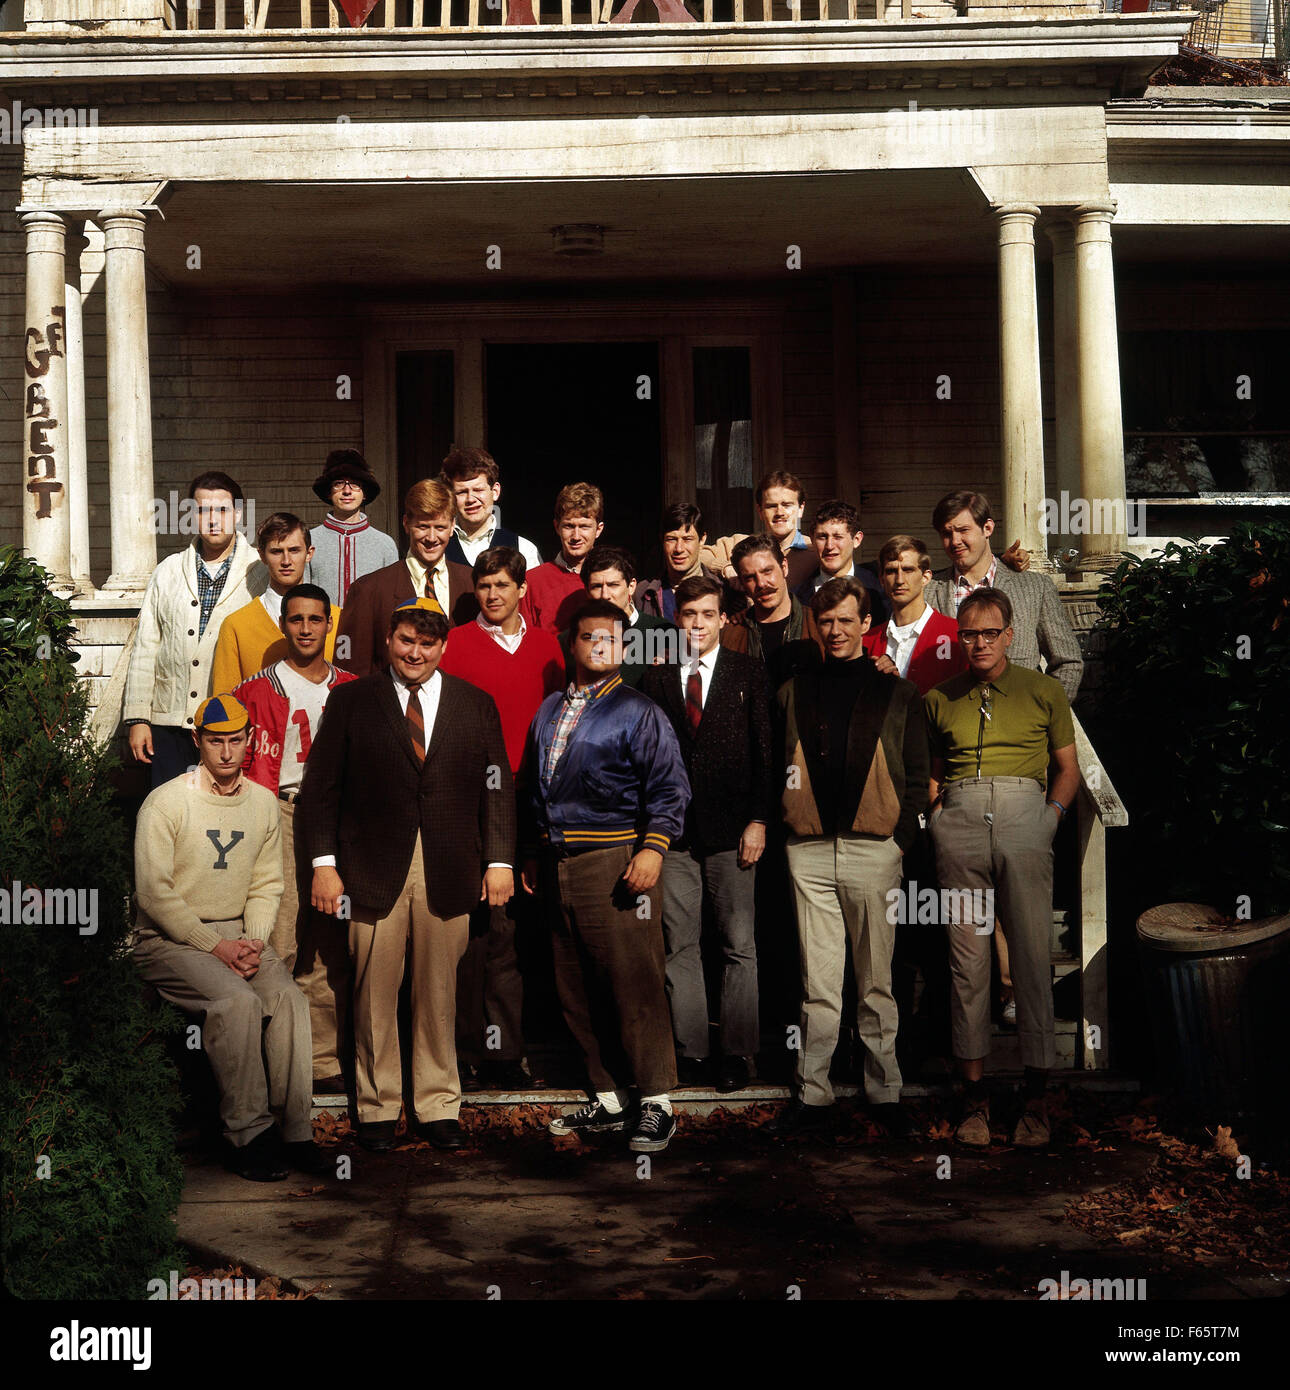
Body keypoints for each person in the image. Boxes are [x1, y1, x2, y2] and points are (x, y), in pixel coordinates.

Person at [299, 598, 515, 1152]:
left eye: (426, 643)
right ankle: (376, 1106)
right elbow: (321, 789)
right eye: (405, 641)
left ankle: (437, 1103)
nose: (414, 653)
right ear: (389, 642)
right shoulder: (350, 702)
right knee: (374, 991)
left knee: (439, 991)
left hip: (450, 865)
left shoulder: (475, 704)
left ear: (442, 648)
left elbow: (497, 789)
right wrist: (324, 867)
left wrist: (499, 860)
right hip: (370, 868)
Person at [131, 695, 326, 1182]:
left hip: (238, 935)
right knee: (237, 1002)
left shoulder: (261, 802)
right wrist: (214, 946)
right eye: (214, 741)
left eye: (234, 741)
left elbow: (266, 885)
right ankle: (248, 1136)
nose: (225, 752)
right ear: (198, 741)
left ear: (248, 743)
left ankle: (295, 1132)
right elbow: (155, 895)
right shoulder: (166, 802)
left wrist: (255, 941)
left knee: (286, 998)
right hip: (170, 940)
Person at [522, 599, 689, 1154]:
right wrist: (532, 852)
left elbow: (669, 788)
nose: (598, 646)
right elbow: (533, 790)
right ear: (573, 645)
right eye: (588, 637)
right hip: (557, 862)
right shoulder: (549, 709)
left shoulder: (638, 710)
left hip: (616, 859)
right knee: (574, 985)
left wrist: (653, 848)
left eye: (610, 639)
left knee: (633, 980)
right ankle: (610, 1096)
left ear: (624, 648)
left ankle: (658, 1101)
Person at [770, 578, 929, 1137]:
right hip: (808, 848)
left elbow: (918, 776)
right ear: (814, 624)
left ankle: (884, 1093)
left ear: (867, 624)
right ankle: (812, 1095)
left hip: (873, 848)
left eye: (846, 620)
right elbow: (774, 767)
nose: (835, 631)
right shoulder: (791, 690)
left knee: (876, 980)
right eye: (826, 621)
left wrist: (901, 838)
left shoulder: (898, 692)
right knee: (818, 982)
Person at [924, 587, 1080, 1149]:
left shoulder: (1043, 690)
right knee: (967, 962)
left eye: (990, 632)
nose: (980, 643)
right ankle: (974, 1101)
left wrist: (1049, 819)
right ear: (959, 638)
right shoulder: (941, 698)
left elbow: (1068, 768)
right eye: (969, 633)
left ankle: (1036, 1099)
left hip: (1025, 818)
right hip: (961, 822)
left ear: (1010, 636)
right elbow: (934, 773)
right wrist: (939, 816)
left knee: (1033, 954)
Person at [439, 546, 565, 1091]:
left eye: (502, 587)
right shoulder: (457, 644)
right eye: (484, 587)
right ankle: (467, 1050)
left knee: (517, 931)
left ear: (521, 592)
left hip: (532, 800)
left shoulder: (548, 646)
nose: (492, 596)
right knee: (472, 931)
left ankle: (509, 1050)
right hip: (470, 801)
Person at [642, 575, 773, 1094]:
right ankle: (691, 1051)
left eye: (706, 614)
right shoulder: (656, 679)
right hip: (674, 835)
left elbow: (767, 752)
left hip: (734, 832)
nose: (696, 623)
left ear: (724, 619)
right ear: (678, 618)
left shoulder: (749, 673)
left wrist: (759, 819)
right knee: (680, 945)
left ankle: (738, 1054)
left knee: (739, 944)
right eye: (688, 614)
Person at [233, 582, 357, 1095]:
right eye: (295, 620)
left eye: (315, 620)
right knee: (280, 939)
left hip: (339, 820)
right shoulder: (255, 689)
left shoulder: (352, 687)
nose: (305, 629)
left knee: (331, 942)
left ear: (330, 625)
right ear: (283, 624)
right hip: (280, 812)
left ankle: (323, 1062)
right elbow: (233, 758)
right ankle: (271, 1060)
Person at [124, 471, 266, 787]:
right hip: (168, 722)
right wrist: (138, 719)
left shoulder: (260, 571)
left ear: (238, 514)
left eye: (222, 510)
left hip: (229, 726)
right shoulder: (168, 571)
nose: (213, 520)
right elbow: (146, 647)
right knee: (171, 816)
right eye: (203, 511)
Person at [926, 490, 1083, 703]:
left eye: (964, 530)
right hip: (953, 726)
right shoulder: (927, 591)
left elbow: (1068, 662)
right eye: (946, 534)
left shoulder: (1036, 587)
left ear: (987, 528)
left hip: (1022, 725)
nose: (955, 541)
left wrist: (1044, 715)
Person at [335, 478, 477, 677]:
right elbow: (350, 673)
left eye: (440, 527)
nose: (431, 538)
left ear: (453, 526)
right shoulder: (368, 589)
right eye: (423, 526)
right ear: (406, 524)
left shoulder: (473, 583)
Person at [211, 513, 341, 694]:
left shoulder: (338, 620)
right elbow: (224, 704)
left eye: (294, 550)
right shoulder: (236, 626)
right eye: (276, 552)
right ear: (262, 555)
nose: (286, 561)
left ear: (309, 553)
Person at [560, 544, 676, 688]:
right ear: (587, 591)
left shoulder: (664, 634)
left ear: (631, 586)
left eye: (613, 585)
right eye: (597, 586)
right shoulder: (569, 641)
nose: (605, 595)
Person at [862, 535, 966, 695]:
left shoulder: (955, 634)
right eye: (891, 571)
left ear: (926, 577)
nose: (899, 580)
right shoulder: (867, 642)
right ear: (882, 580)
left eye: (908, 570)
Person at [721, 532, 824, 687]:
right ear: (742, 583)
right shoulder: (730, 635)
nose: (761, 583)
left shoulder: (818, 625)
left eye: (767, 571)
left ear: (784, 567)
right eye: (750, 577)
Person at [308, 449, 398, 608]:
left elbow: (391, 598)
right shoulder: (309, 540)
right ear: (329, 493)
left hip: (368, 630)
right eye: (338, 484)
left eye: (355, 484)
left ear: (365, 494)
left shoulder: (385, 544)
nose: (347, 491)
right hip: (322, 629)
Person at [700, 469, 818, 591]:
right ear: (760, 511)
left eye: (787, 505)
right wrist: (726, 568)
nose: (780, 513)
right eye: (771, 506)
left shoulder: (815, 550)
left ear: (801, 509)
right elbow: (698, 554)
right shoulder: (741, 544)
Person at [440, 444, 543, 572]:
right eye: (461, 492)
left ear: (495, 491)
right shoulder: (436, 545)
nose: (470, 499)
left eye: (478, 490)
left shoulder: (524, 549)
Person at [521, 481, 605, 634]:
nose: (576, 536)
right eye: (569, 526)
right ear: (556, 527)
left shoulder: (612, 581)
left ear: (598, 529)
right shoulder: (532, 582)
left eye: (584, 526)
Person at [637, 502, 740, 623]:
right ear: (662, 540)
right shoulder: (643, 593)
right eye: (671, 539)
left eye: (687, 539)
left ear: (702, 539)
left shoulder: (725, 592)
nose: (679, 549)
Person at [794, 499, 888, 625]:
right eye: (822, 537)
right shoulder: (797, 598)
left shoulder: (880, 590)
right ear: (812, 539)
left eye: (838, 537)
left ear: (856, 539)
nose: (829, 546)